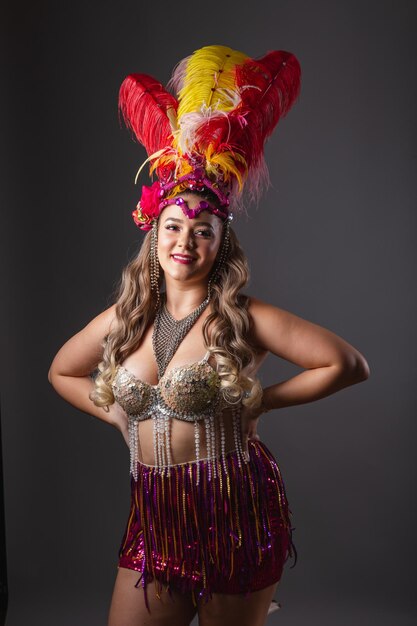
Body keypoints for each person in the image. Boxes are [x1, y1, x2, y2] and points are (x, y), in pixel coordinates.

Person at [48, 45, 370, 626]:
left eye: (203, 230)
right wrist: (118, 416)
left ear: (222, 244)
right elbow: (61, 370)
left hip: (235, 520)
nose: (185, 241)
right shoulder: (125, 317)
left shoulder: (242, 317)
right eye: (174, 226)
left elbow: (347, 364)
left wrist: (261, 400)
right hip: (155, 520)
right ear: (154, 233)